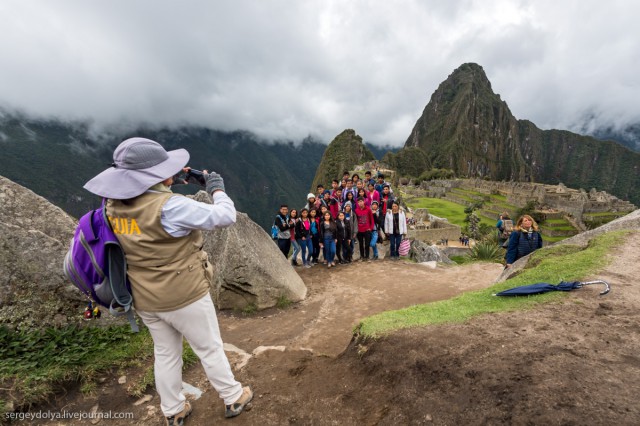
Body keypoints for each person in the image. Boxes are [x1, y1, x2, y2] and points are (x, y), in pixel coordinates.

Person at [83, 137, 252, 424]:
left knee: (166, 354)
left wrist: (165, 183)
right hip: (185, 294)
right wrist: (216, 188)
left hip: (145, 297)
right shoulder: (170, 206)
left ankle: (173, 410)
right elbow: (224, 216)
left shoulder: (112, 205)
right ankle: (233, 396)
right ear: (155, 175)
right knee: (208, 348)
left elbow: (142, 200)